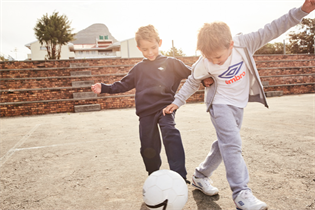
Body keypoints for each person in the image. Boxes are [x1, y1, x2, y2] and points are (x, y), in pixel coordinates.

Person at [163, 1, 315, 209]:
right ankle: (241, 193)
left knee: (224, 143)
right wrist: (177, 102)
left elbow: (273, 29)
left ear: (230, 44)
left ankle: (201, 175)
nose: (214, 61)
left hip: (238, 105)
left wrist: (302, 11)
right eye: (209, 57)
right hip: (219, 105)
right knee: (233, 144)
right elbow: (191, 80)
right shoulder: (204, 62)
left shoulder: (244, 43)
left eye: (218, 56)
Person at [91, 25, 192, 183]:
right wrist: (104, 88)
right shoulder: (139, 69)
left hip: (165, 107)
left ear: (160, 43)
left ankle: (179, 176)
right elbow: (122, 84)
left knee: (171, 134)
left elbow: (192, 74)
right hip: (145, 112)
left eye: (153, 47)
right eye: (145, 49)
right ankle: (153, 175)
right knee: (148, 146)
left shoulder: (171, 63)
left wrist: (207, 78)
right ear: (139, 48)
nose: (150, 52)